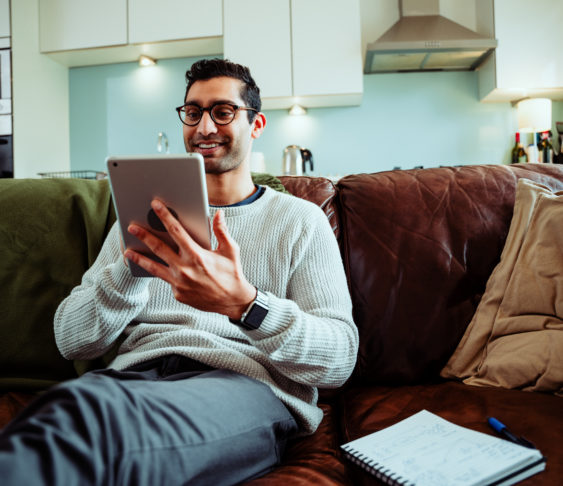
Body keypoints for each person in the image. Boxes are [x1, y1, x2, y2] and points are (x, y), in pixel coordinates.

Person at [0, 58, 358, 485]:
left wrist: (247, 306)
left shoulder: (300, 220)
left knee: (88, 424)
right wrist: (133, 269)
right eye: (193, 112)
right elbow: (71, 339)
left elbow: (338, 360)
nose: (204, 127)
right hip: (131, 379)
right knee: (65, 413)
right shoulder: (143, 217)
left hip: (241, 386)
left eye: (222, 112)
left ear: (256, 124)